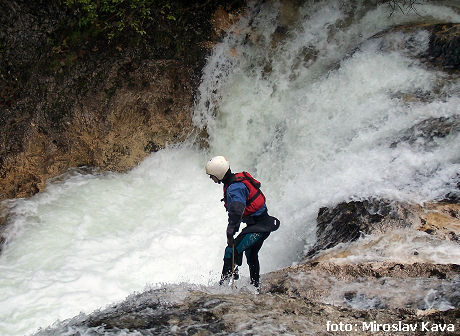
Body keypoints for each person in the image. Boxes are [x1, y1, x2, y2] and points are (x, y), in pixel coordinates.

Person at [205, 156, 280, 289]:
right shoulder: (235, 181)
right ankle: (255, 287)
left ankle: (222, 289)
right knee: (251, 254)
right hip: (259, 224)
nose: (211, 178)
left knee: (231, 252)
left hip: (260, 227)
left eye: (212, 176)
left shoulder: (234, 188)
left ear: (218, 173)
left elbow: (237, 209)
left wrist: (231, 230)